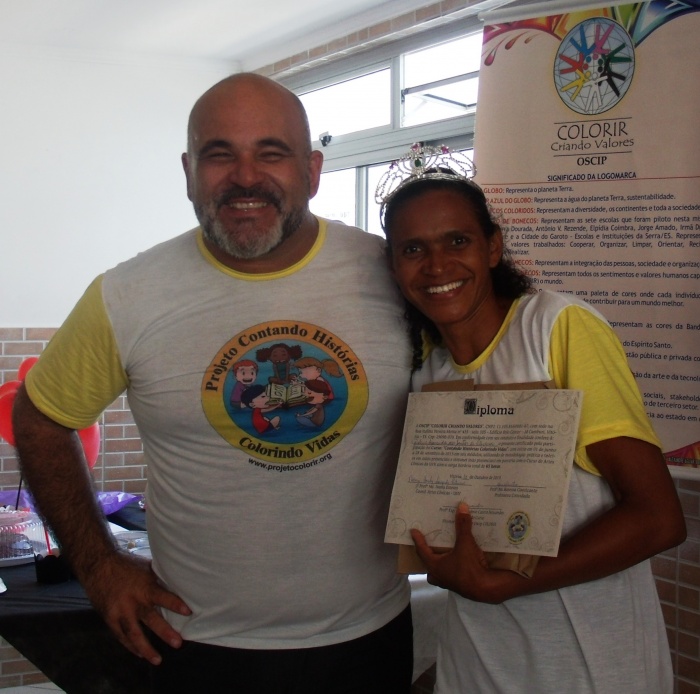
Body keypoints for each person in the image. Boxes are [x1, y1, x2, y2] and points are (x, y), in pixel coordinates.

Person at [12, 73, 414, 693]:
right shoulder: (127, 295)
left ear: (312, 171)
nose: (245, 177)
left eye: (271, 153)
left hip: (368, 638)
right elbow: (40, 417)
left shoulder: (392, 275)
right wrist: (98, 566)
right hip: (194, 647)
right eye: (219, 154)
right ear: (189, 172)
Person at [378, 145, 686, 693]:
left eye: (457, 241)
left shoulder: (555, 329)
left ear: (493, 247)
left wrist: (508, 583)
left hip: (590, 667)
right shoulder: (427, 369)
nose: (437, 265)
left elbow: (658, 518)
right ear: (394, 266)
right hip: (477, 665)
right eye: (413, 249)